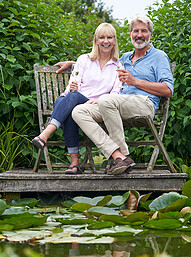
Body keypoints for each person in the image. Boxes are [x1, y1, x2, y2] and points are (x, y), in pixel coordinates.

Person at [69, 15, 174, 175]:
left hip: (144, 104)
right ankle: (118, 156)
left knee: (105, 100)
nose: (139, 35)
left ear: (150, 35)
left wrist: (135, 81)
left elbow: (168, 90)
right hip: (115, 104)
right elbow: (100, 59)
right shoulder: (124, 58)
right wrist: (72, 64)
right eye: (135, 31)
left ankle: (123, 155)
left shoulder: (159, 57)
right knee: (78, 111)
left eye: (144, 31)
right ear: (130, 34)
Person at [32, 23, 121, 174]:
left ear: (114, 41)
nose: (105, 41)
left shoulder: (118, 65)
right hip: (77, 100)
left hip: (96, 105)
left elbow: (116, 92)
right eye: (102, 37)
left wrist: (100, 100)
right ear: (96, 40)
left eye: (109, 37)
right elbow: (74, 83)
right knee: (69, 102)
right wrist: (73, 89)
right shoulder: (84, 60)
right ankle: (74, 164)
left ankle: (47, 135)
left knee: (67, 101)